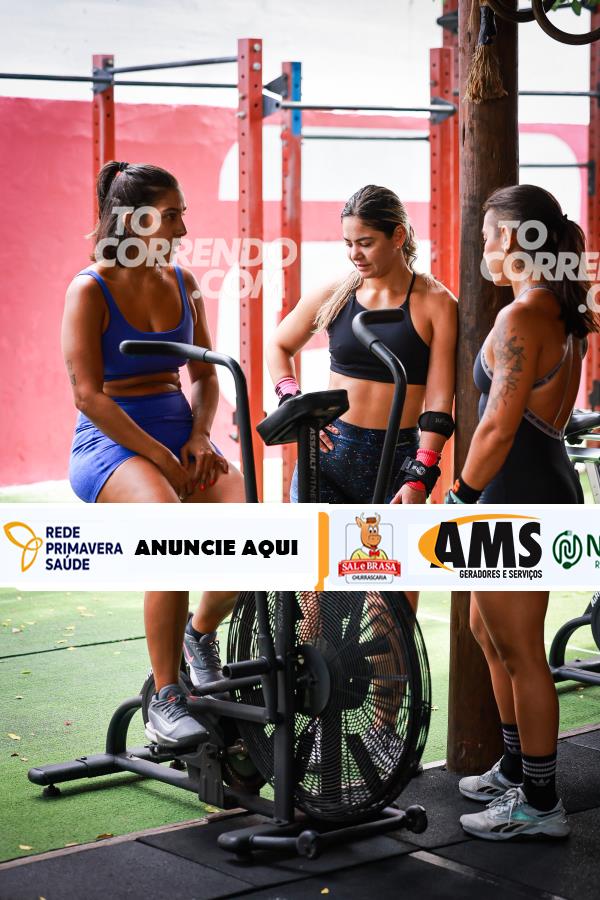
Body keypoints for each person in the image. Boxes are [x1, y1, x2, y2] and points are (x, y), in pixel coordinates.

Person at [62, 161, 243, 746]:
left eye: (182, 214)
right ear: (135, 220)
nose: (183, 229)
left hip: (182, 436)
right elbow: (88, 396)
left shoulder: (184, 281)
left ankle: (198, 634)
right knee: (172, 533)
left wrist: (198, 437)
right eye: (171, 216)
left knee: (253, 526)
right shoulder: (89, 288)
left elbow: (206, 374)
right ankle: (165, 698)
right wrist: (163, 460)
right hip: (112, 443)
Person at [449, 184, 598, 840]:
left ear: (513, 239)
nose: (483, 247)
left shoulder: (524, 316)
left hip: (516, 498)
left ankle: (540, 803)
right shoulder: (556, 311)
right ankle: (515, 769)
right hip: (534, 489)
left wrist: (457, 498)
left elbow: (496, 428)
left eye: (487, 235)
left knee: (521, 651)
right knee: (489, 633)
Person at [267, 184, 458, 615]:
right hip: (327, 457)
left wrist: (421, 474)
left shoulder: (437, 303)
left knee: (389, 613)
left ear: (398, 236)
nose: (355, 254)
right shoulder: (336, 294)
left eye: (366, 242)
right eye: (348, 243)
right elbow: (278, 345)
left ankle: (388, 668)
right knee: (315, 612)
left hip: (396, 462)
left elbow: (439, 399)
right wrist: (293, 401)